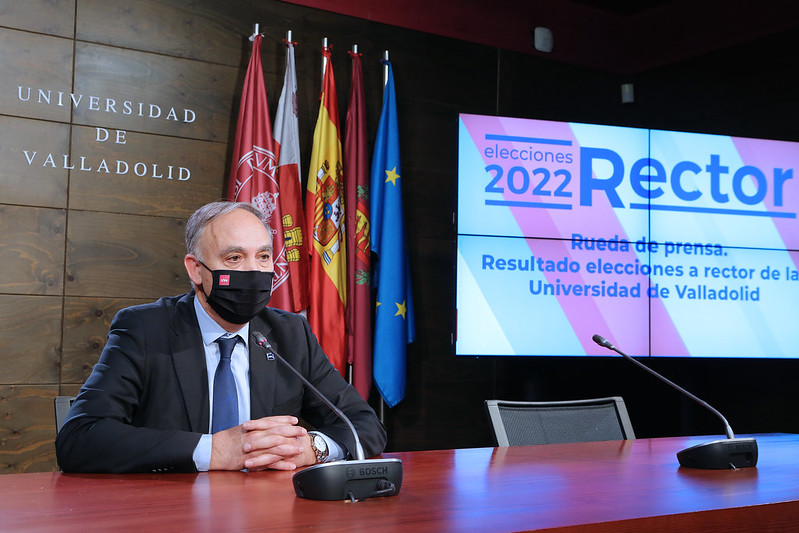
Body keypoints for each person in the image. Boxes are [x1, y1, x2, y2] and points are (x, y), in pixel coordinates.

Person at [56, 201, 386, 473]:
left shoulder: (289, 334)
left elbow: (365, 425)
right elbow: (81, 438)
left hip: (269, 513)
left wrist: (312, 447)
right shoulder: (144, 329)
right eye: (234, 258)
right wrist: (213, 451)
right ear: (195, 269)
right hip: (171, 513)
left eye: (263, 257)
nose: (254, 272)